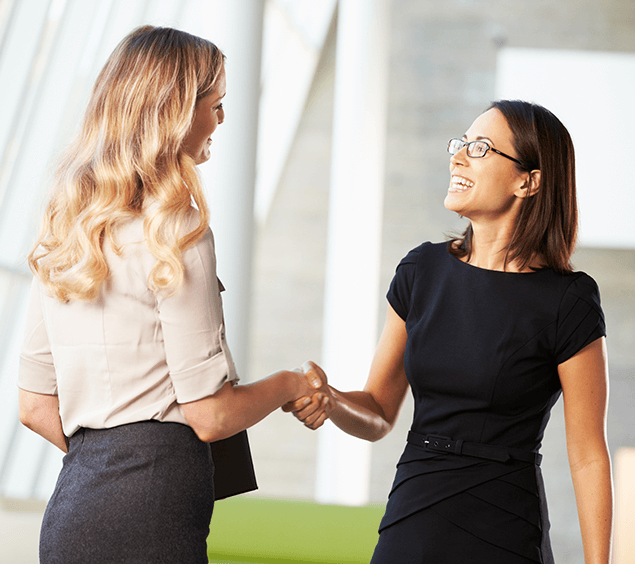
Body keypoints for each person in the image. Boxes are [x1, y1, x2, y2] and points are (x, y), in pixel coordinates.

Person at [18, 26, 322, 564]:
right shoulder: (178, 233)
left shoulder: (69, 228)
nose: (221, 120)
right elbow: (209, 415)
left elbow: (35, 405)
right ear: (174, 111)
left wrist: (111, 464)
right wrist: (289, 384)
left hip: (74, 507)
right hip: (152, 510)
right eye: (216, 104)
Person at [286, 100, 613, 563]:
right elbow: (379, 411)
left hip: (505, 527)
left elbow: (587, 456)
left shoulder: (568, 300)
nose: (458, 156)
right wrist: (330, 399)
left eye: (480, 148)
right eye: (460, 143)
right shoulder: (421, 270)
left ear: (529, 180)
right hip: (412, 514)